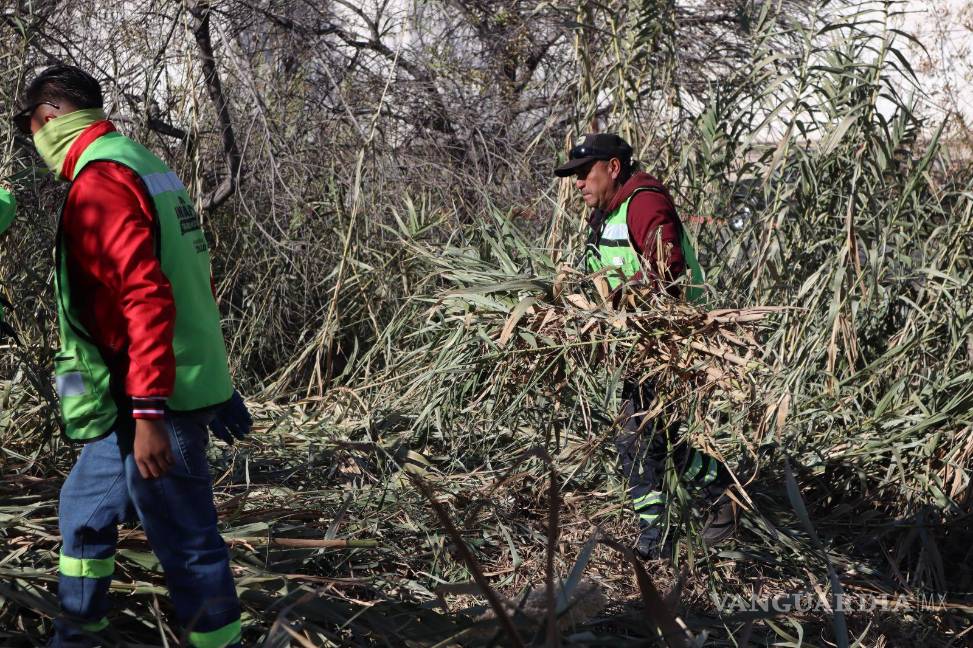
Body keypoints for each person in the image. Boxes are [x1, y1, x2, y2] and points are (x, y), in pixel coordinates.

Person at [10, 65, 251, 648]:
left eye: (34, 127)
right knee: (84, 513)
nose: (35, 141)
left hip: (153, 400)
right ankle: (77, 633)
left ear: (52, 116)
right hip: (132, 393)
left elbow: (146, 297)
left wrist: (149, 414)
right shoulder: (141, 162)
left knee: (186, 540)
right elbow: (191, 275)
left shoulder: (103, 181)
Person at [554, 132, 734, 559]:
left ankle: (657, 540)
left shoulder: (644, 202)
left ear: (613, 168)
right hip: (636, 344)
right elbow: (600, 278)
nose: (578, 183)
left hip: (669, 343)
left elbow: (666, 272)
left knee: (637, 442)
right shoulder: (605, 214)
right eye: (575, 176)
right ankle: (715, 494)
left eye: (584, 173)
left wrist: (614, 304)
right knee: (652, 442)